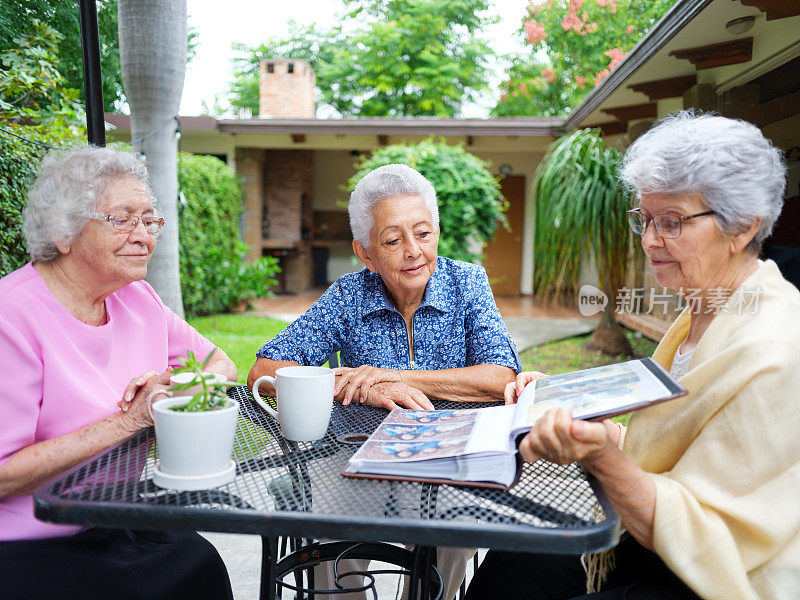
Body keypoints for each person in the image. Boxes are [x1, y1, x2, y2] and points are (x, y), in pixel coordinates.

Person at [466, 112, 800, 600]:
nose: (648, 241)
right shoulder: (704, 310)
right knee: (513, 563)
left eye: (671, 222)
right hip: (653, 544)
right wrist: (560, 401)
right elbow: (672, 448)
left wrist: (600, 456)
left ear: (742, 228)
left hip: (721, 577)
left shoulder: (774, 348)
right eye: (645, 219)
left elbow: (712, 533)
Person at [249, 163, 521, 600]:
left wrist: (394, 375)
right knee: (328, 528)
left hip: (445, 456)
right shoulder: (348, 295)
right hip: (353, 450)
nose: (414, 251)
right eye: (393, 240)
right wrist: (357, 386)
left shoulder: (467, 283)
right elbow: (264, 370)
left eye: (424, 233)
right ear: (365, 253)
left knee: (460, 526)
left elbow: (499, 377)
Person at [0, 147, 237, 599]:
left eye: (150, 221)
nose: (144, 236)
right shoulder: (10, 317)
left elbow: (220, 363)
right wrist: (132, 419)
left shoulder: (137, 298)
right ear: (63, 230)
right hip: (32, 541)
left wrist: (174, 389)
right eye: (123, 219)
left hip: (117, 523)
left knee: (202, 565)